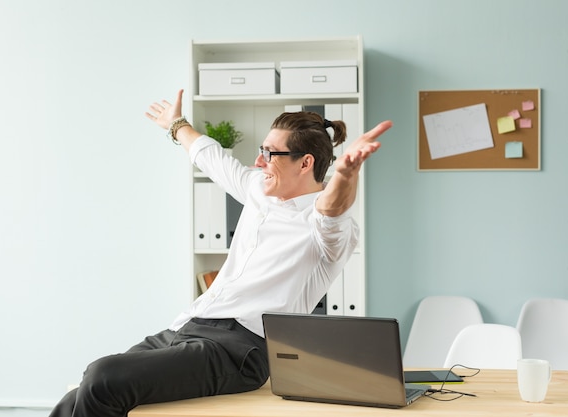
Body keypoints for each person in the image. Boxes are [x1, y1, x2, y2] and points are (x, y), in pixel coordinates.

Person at [49, 89, 392, 417]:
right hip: (189, 327)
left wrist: (346, 173)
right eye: (262, 149)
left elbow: (332, 212)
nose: (259, 161)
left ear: (305, 164)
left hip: (239, 350)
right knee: (79, 395)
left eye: (271, 153)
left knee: (103, 376)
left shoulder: (324, 229)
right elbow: (211, 156)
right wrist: (175, 124)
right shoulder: (259, 189)